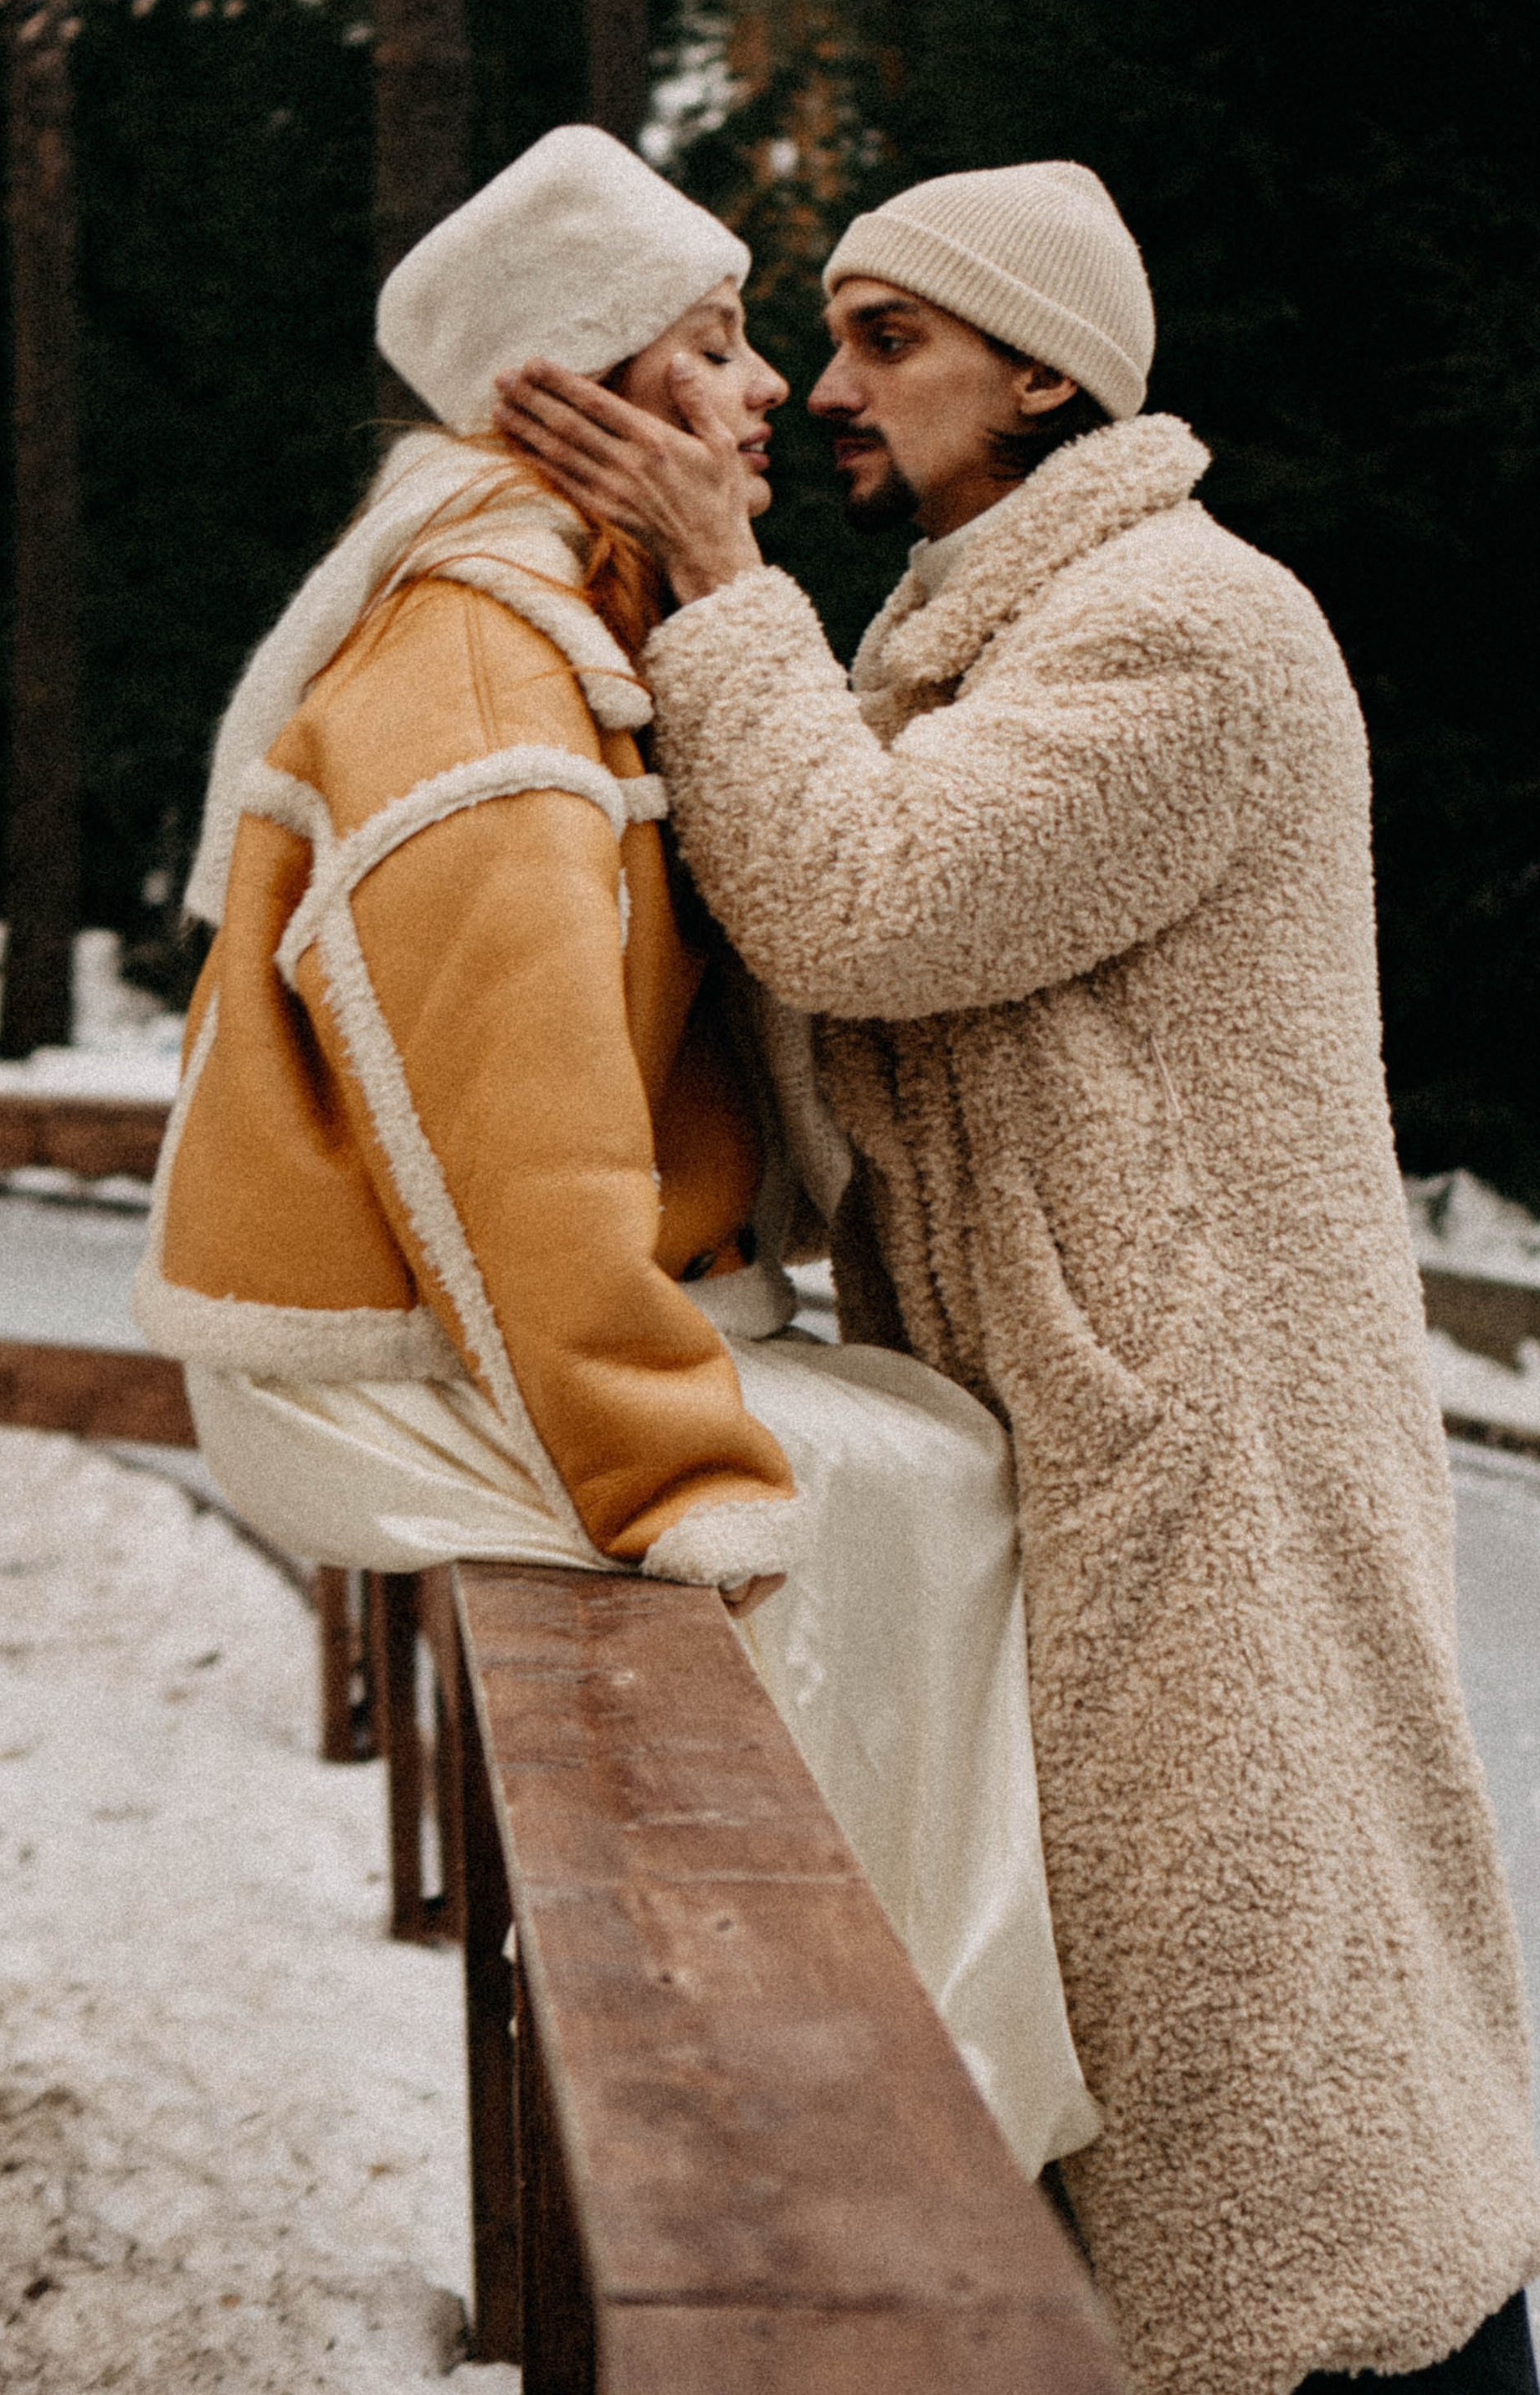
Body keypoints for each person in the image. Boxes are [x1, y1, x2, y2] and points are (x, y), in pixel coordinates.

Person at [495, 158, 1540, 2395]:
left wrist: (713, 577)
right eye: (832, 332)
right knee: (1200, 2057)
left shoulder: (1192, 623)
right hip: (1083, 1444)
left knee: (1305, 2077)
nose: (830, 380)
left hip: (1214, 1451)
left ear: (1046, 365)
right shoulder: (978, 631)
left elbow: (870, 912)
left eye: (889, 333)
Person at [131, 125, 1096, 2185]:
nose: (771, 391)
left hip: (456, 1350)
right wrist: (680, 1479)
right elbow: (517, 1163)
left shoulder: (574, 626)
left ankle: (935, 2098)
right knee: (916, 1501)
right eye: (719, 340)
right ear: (574, 391)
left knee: (929, 1461)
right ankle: (894, 2139)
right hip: (377, 1381)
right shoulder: (480, 666)